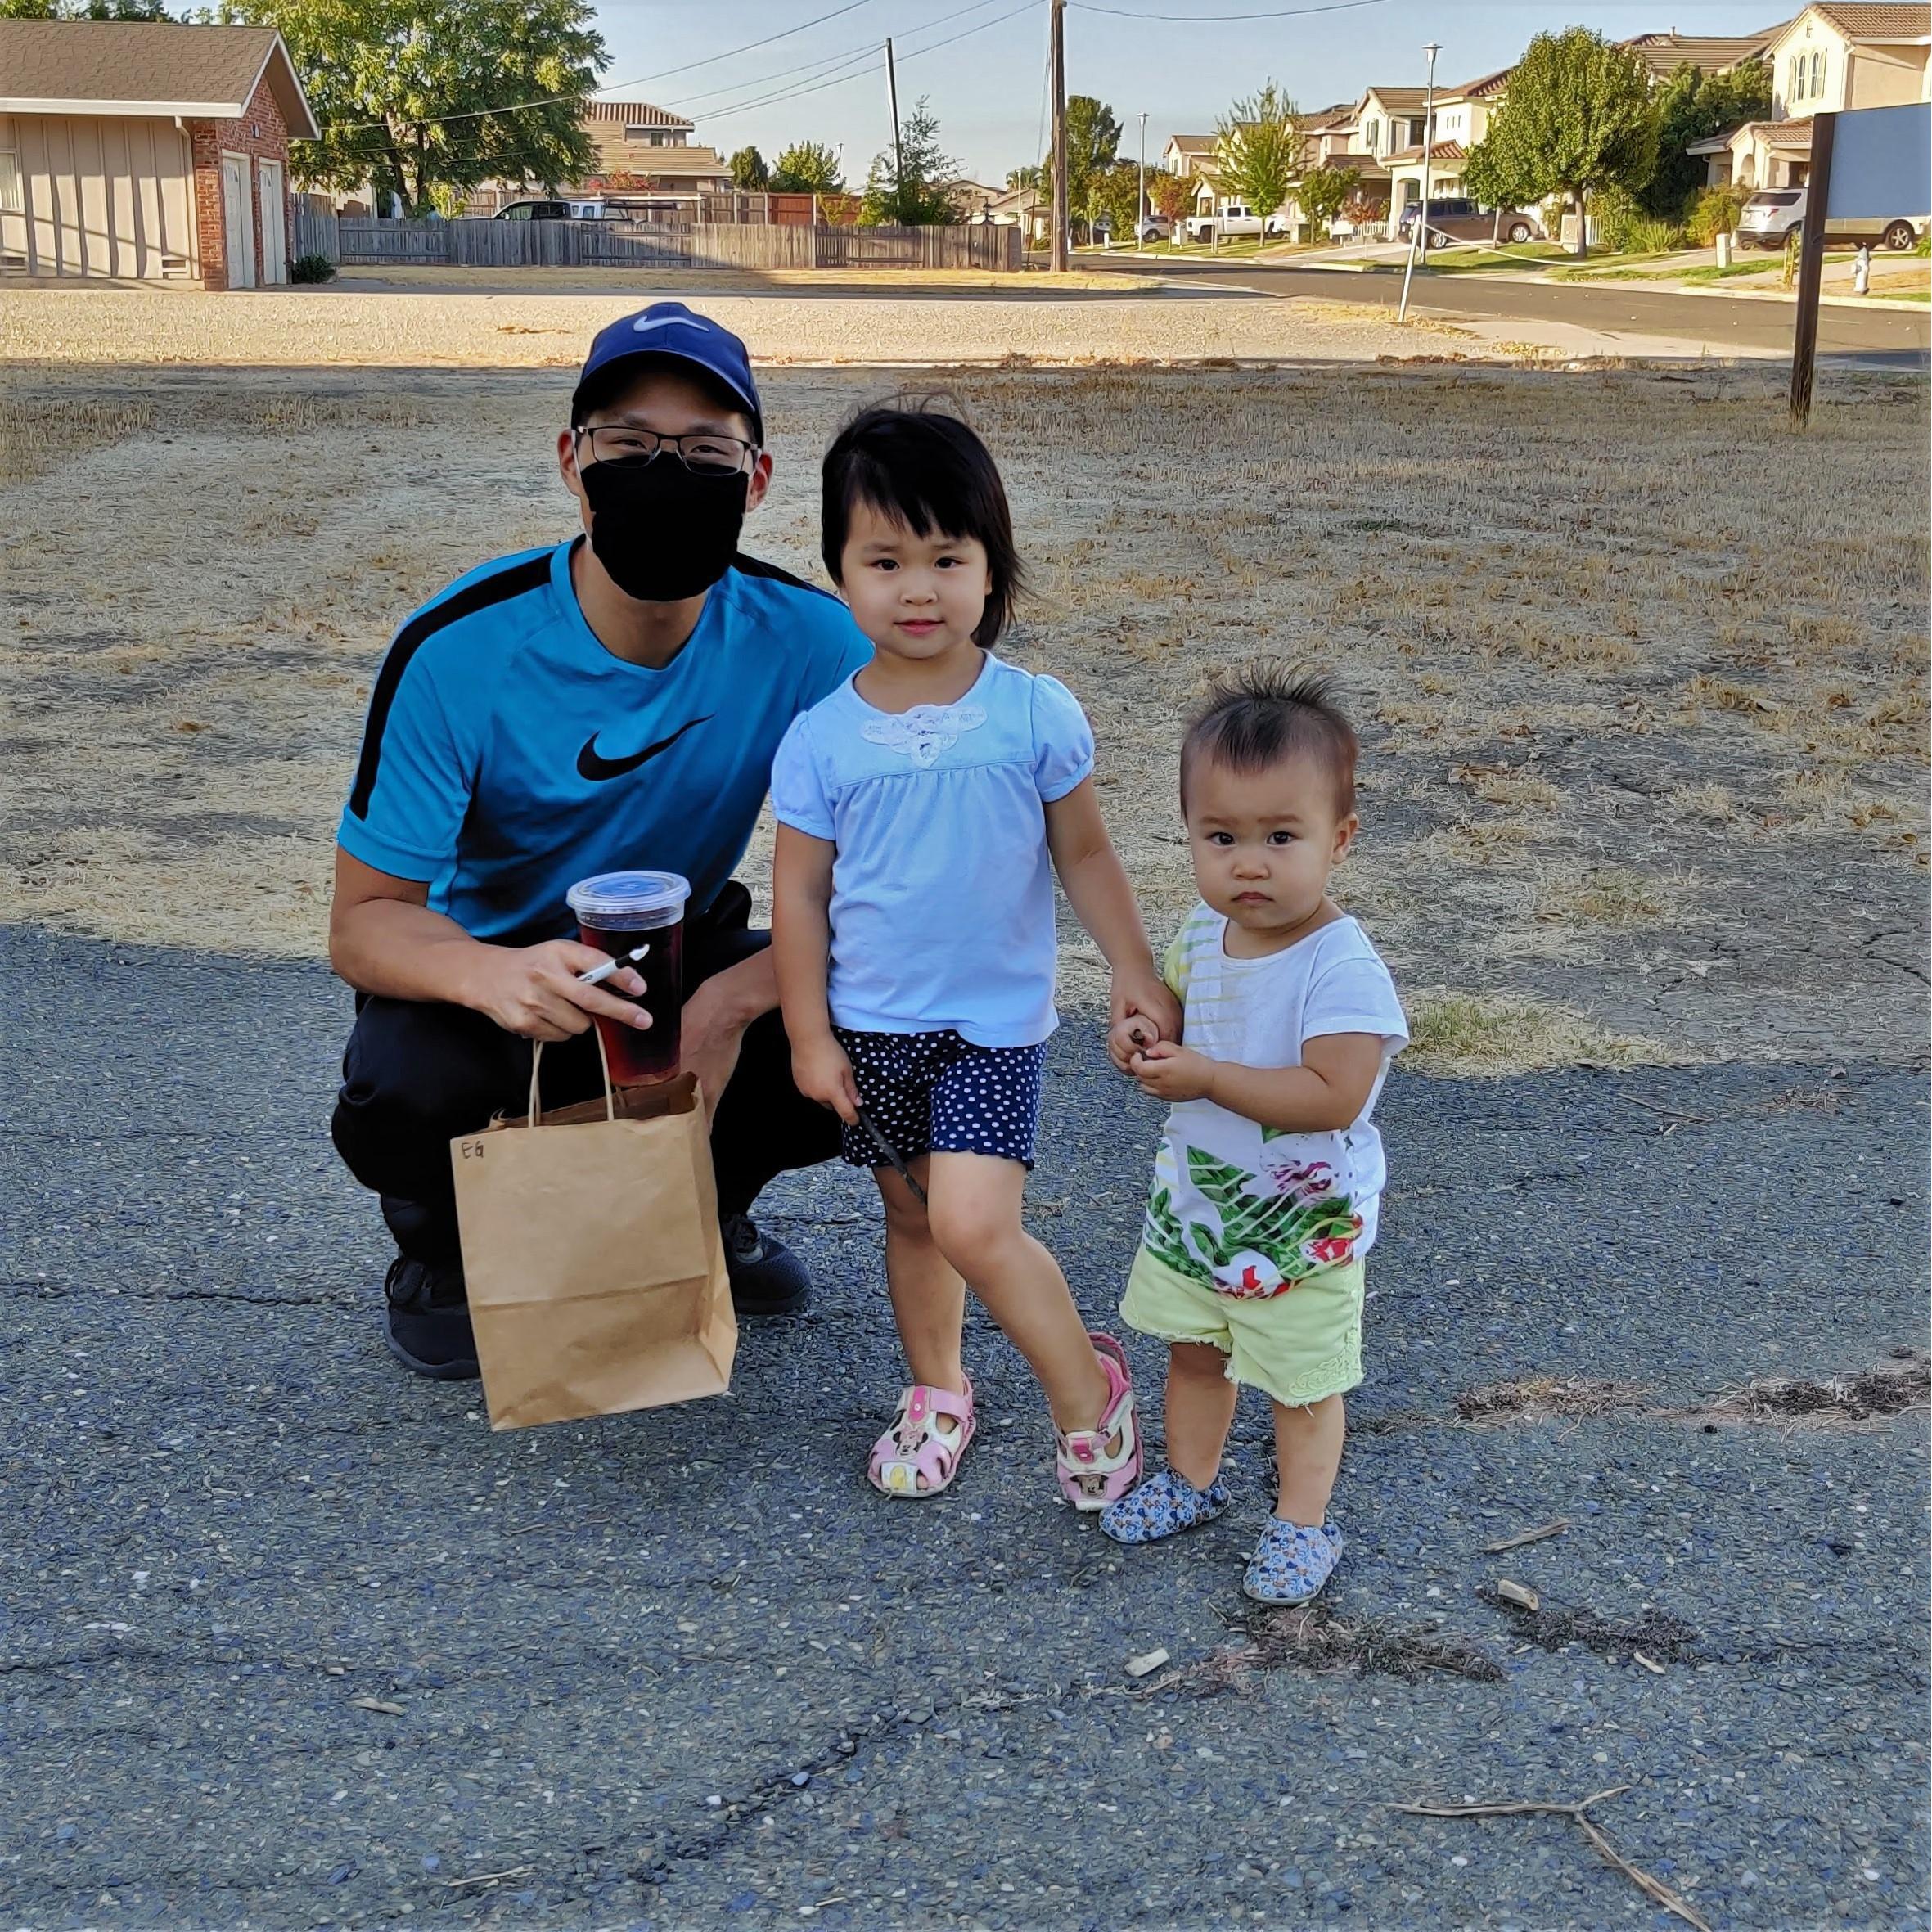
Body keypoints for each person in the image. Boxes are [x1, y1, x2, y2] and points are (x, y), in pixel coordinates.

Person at [328, 303, 872, 1379]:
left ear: (756, 479)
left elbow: (902, 883)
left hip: (664, 959)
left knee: (866, 1019)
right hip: (487, 967)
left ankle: (707, 1209)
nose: (666, 473)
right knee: (402, 1086)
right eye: (628, 444)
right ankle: (442, 1239)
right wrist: (494, 973)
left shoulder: (816, 641)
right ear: (573, 462)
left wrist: (732, 1000)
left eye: (705, 451)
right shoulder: (456, 650)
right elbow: (364, 923)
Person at [770, 400, 1182, 1508]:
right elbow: (800, 891)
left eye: (948, 558)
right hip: (872, 1027)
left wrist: (1135, 973)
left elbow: (1086, 853)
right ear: (840, 572)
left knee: (972, 1222)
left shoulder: (1031, 715)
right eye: (885, 560)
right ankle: (937, 1389)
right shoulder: (821, 737)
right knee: (911, 1218)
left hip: (992, 1032)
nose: (918, 589)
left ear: (992, 570)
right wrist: (808, 1034)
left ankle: (1087, 1403)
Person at [1097, 667, 1407, 1603]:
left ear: (1339, 840)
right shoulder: (1203, 931)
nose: (1249, 864)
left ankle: (1303, 1523)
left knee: (1302, 1381)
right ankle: (1192, 1481)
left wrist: (1205, 1078)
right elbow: (1186, 1023)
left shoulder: (1340, 966)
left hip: (1301, 1227)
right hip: (1202, 1207)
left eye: (1281, 837)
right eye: (1221, 837)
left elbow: (1335, 1094)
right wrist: (1148, 1037)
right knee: (1193, 1351)